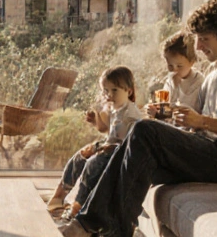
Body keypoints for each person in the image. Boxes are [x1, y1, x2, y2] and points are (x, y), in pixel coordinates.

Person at [61, 0, 217, 237]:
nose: (197, 47)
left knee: (143, 130)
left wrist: (201, 122)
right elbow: (195, 123)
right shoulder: (214, 74)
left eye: (204, 39)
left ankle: (86, 227)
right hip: (207, 149)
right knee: (128, 156)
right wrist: (180, 119)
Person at [47, 66, 144, 218]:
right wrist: (95, 121)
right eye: (106, 90)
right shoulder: (115, 108)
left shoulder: (130, 115)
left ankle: (78, 206)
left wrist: (101, 148)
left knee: (93, 163)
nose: (109, 95)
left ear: (129, 91)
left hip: (121, 153)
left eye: (114, 90)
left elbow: (128, 142)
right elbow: (107, 131)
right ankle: (59, 195)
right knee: (80, 156)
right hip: (110, 146)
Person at [148, 30, 204, 120]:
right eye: (170, 65)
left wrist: (176, 88)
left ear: (192, 62)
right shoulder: (170, 81)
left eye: (179, 66)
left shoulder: (198, 83)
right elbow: (166, 112)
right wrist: (156, 112)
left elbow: (186, 110)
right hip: (172, 126)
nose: (174, 70)